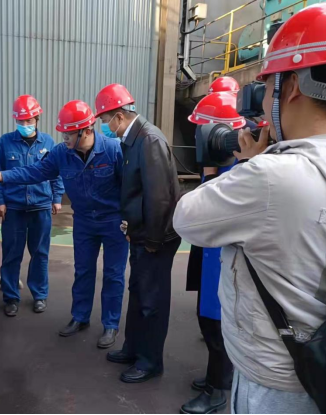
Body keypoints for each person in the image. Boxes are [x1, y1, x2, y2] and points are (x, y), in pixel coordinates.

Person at [174, 3, 326, 413]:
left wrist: (251, 164)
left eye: (266, 87)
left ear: (292, 87)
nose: (262, 103)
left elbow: (187, 218)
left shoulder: (270, 177)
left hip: (276, 380)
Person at [0, 100, 129, 348]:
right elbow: (35, 172)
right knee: (83, 271)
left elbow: (130, 186)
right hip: (84, 221)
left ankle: (110, 324)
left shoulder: (114, 150)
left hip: (113, 221)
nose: (64, 138)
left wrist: (131, 218)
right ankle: (80, 317)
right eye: (63, 133)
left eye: (69, 134)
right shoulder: (62, 153)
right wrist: (3, 176)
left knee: (113, 274)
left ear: (86, 130)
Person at [95, 83, 181, 383]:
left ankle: (150, 361)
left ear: (119, 116)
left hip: (155, 237)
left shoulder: (149, 140)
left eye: (105, 120)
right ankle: (133, 348)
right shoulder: (133, 140)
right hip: (141, 234)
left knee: (151, 300)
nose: (105, 127)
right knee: (138, 293)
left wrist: (153, 240)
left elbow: (160, 197)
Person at [181, 86, 256, 414]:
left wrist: (210, 177)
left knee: (220, 327)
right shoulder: (218, 165)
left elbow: (207, 212)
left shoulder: (241, 170)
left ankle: (217, 390)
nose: (198, 136)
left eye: (202, 129)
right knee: (208, 321)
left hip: (228, 263)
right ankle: (216, 376)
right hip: (211, 259)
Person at [0, 95, 64, 317]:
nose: (25, 124)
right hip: (14, 208)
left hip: (41, 206)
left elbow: (56, 172)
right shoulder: (5, 142)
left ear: (37, 118)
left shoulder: (48, 143)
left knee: (40, 253)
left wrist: (57, 197)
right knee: (11, 254)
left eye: (29, 120)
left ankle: (39, 295)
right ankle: (11, 297)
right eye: (21, 121)